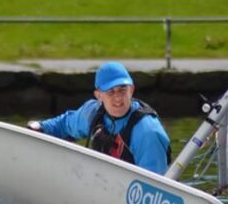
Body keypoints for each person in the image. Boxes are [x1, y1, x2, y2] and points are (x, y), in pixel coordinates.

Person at [28, 62, 171, 175]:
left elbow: (156, 187)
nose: (118, 98)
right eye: (110, 92)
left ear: (131, 90)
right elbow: (64, 125)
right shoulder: (92, 113)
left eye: (122, 90)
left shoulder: (148, 132)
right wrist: (41, 127)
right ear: (98, 95)